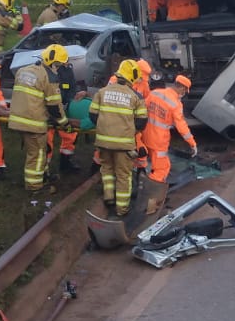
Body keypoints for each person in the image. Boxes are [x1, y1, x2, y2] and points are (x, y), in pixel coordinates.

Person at [90, 60, 148, 215]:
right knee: (124, 176)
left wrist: (105, 130)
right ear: (133, 77)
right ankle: (122, 209)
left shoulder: (102, 92)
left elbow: (93, 115)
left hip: (103, 142)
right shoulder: (136, 97)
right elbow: (142, 122)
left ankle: (109, 197)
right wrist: (128, 131)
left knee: (107, 169)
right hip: (124, 145)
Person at [8, 48, 66, 193]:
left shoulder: (23, 71)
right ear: (53, 63)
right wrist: (64, 122)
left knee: (40, 150)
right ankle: (34, 187)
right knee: (37, 154)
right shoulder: (49, 77)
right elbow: (54, 106)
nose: (58, 68)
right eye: (59, 65)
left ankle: (43, 175)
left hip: (17, 119)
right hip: (33, 122)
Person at [144, 74, 197, 185]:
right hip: (159, 141)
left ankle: (145, 183)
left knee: (148, 163)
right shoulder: (176, 104)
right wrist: (192, 143)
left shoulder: (155, 93)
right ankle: (152, 191)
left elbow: (142, 110)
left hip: (145, 136)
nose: (184, 94)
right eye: (185, 91)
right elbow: (182, 127)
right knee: (162, 169)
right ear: (182, 88)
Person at [43, 43, 84, 175]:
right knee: (46, 142)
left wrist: (69, 102)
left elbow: (72, 86)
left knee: (70, 135)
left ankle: (66, 162)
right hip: (46, 111)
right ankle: (44, 170)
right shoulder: (42, 71)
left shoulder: (67, 70)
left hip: (64, 108)